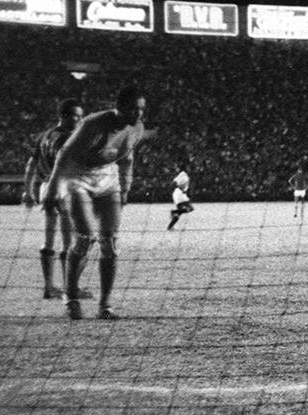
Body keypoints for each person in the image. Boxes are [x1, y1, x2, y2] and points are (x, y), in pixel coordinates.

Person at [43, 85, 147, 320]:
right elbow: (64, 154)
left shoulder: (137, 128)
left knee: (110, 244)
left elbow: (127, 159)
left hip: (107, 179)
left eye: (141, 109)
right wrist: (52, 188)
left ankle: (105, 306)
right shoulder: (93, 124)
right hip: (77, 177)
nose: (138, 114)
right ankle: (71, 297)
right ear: (118, 107)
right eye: (133, 109)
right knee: (85, 237)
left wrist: (125, 189)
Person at [22, 98, 91, 300]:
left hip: (45, 188)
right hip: (62, 189)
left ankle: (49, 287)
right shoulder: (68, 138)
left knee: (49, 240)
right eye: (74, 116)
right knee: (70, 242)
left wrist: (28, 190)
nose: (78, 120)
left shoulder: (45, 136)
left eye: (80, 116)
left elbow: (30, 165)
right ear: (63, 115)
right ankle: (70, 288)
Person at [167, 164, 194, 230]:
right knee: (190, 208)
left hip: (180, 194)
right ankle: (173, 212)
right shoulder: (185, 176)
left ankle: (170, 227)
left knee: (179, 213)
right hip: (179, 194)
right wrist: (181, 188)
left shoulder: (182, 174)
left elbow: (173, 182)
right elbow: (175, 183)